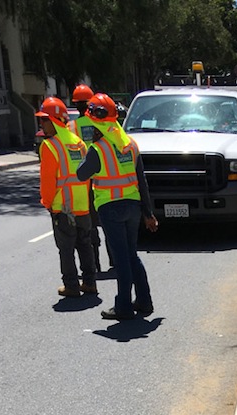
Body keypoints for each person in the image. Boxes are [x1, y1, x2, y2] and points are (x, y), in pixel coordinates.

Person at [77, 93, 158, 322]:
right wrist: (148, 213)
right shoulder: (130, 145)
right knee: (131, 254)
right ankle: (144, 301)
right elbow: (142, 181)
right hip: (132, 207)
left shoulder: (98, 149)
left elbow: (82, 174)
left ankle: (123, 306)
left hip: (110, 208)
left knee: (121, 258)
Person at [35, 96, 97, 298]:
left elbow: (48, 181)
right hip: (82, 205)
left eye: (44, 120)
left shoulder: (50, 146)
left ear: (53, 121)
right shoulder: (78, 143)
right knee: (85, 245)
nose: (41, 124)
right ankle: (89, 283)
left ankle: (71, 285)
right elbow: (86, 176)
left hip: (63, 207)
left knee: (66, 249)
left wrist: (47, 202)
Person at [67, 83, 105, 272]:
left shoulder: (72, 126)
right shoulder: (100, 123)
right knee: (106, 221)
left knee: (89, 224)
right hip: (104, 177)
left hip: (84, 180)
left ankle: (95, 263)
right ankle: (114, 261)